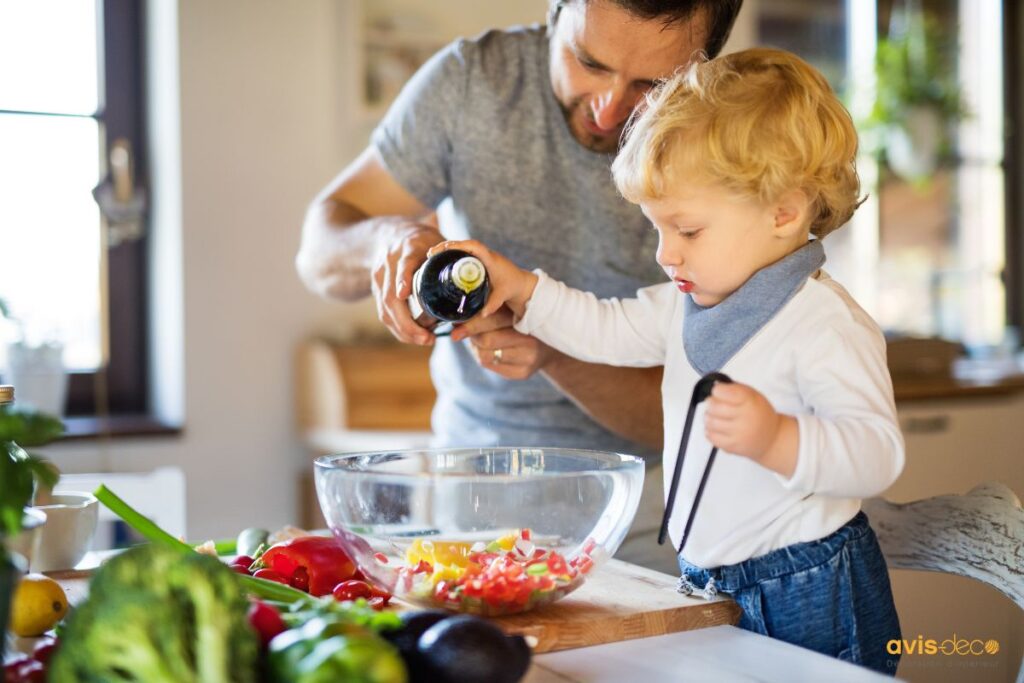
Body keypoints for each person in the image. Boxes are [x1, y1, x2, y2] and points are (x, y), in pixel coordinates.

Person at [428, 48, 905, 674]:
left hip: (808, 585)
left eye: (687, 230)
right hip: (709, 578)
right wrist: (524, 289)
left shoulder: (824, 325)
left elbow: (877, 454)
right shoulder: (686, 303)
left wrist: (779, 438)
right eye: (657, 229)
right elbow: (604, 326)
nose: (664, 253)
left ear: (785, 211)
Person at [296, 0, 743, 574]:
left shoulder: (727, 139)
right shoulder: (472, 82)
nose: (609, 111)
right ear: (556, 12)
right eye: (589, 62)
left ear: (706, 64)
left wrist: (552, 348)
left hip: (654, 509)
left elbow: (691, 418)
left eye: (652, 85)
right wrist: (385, 240)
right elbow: (318, 252)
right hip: (467, 492)